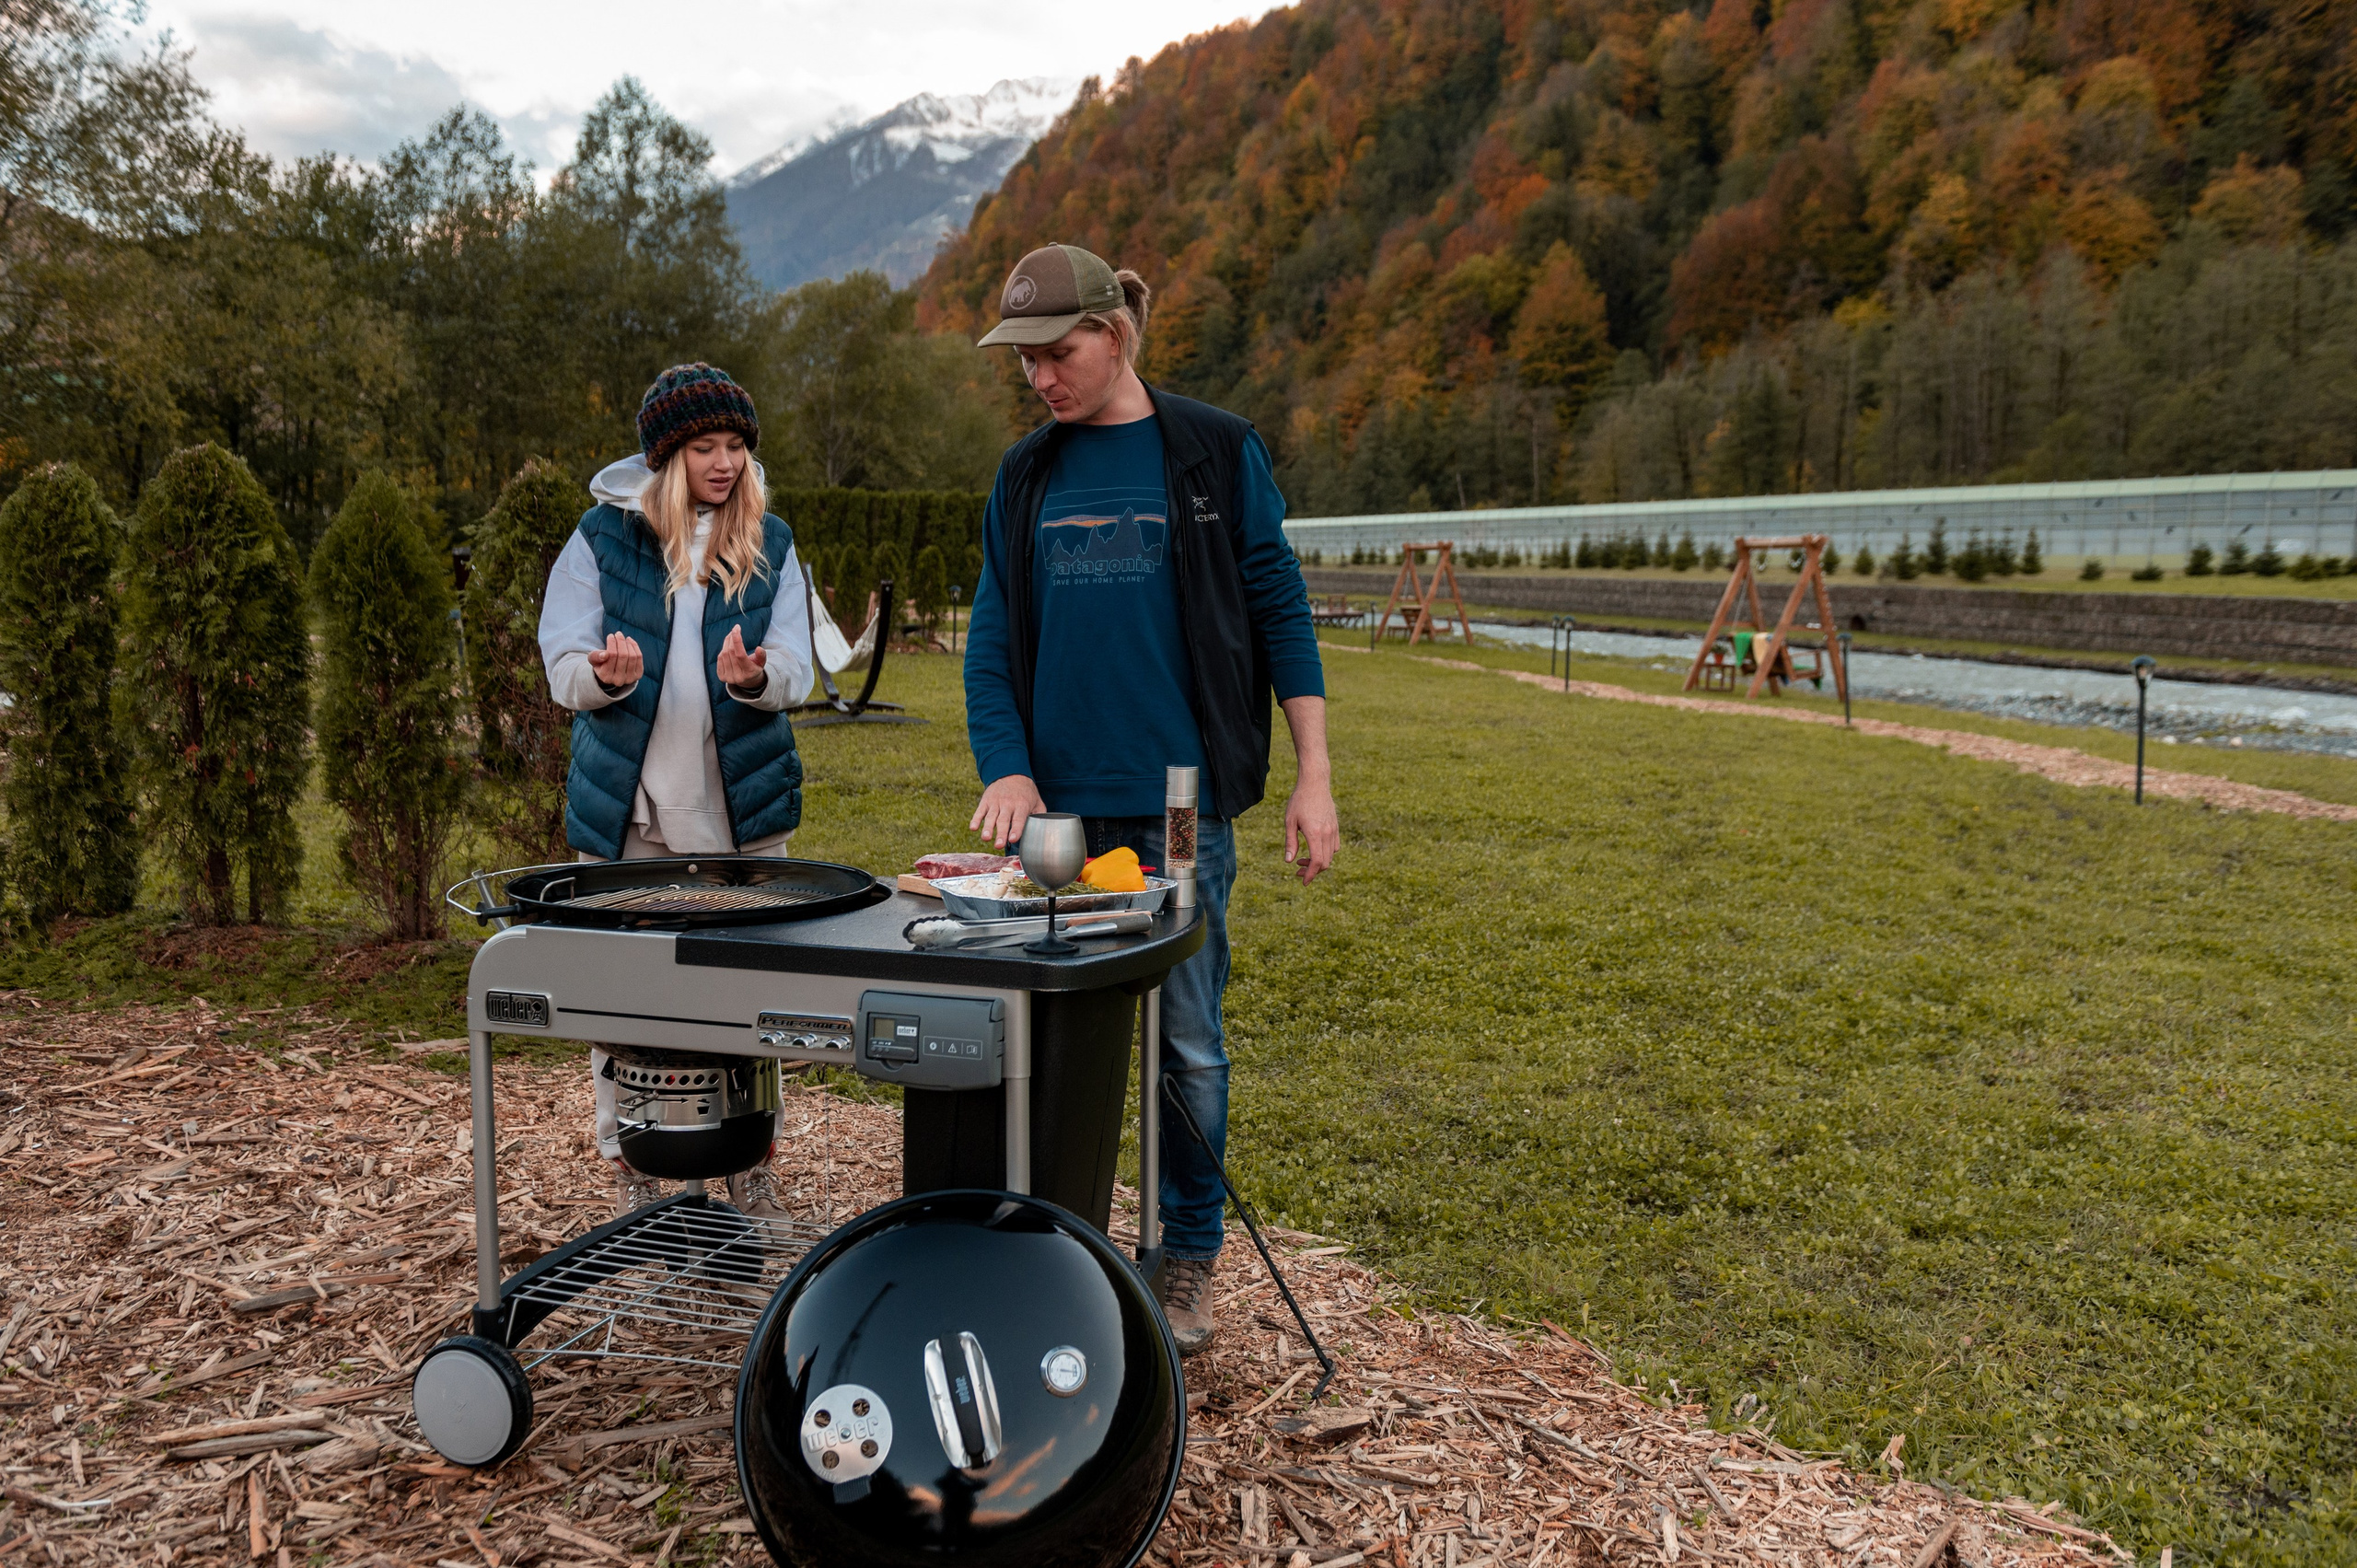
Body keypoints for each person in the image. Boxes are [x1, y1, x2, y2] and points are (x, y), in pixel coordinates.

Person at [962, 244, 1340, 1355]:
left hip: (1180, 802)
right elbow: (990, 640)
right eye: (1024, 358)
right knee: (1045, 1040)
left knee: (1187, 1042)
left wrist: (1313, 774)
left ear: (1113, 334)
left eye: (1057, 350)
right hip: (1057, 814)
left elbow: (1281, 613)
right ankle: (1053, 1242)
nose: (1040, 376)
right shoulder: (1024, 475)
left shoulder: (1214, 452)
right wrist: (1006, 764)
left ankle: (1187, 1260)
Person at [538, 362, 814, 1219]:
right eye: (706, 446)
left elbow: (802, 666)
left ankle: (751, 1153)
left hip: (741, 810)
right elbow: (560, 662)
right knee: (622, 986)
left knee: (749, 988)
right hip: (631, 812)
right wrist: (606, 676)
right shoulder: (602, 537)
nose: (725, 462)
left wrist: (758, 679)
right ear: (666, 456)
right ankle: (627, 1154)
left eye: (736, 445)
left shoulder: (771, 539)